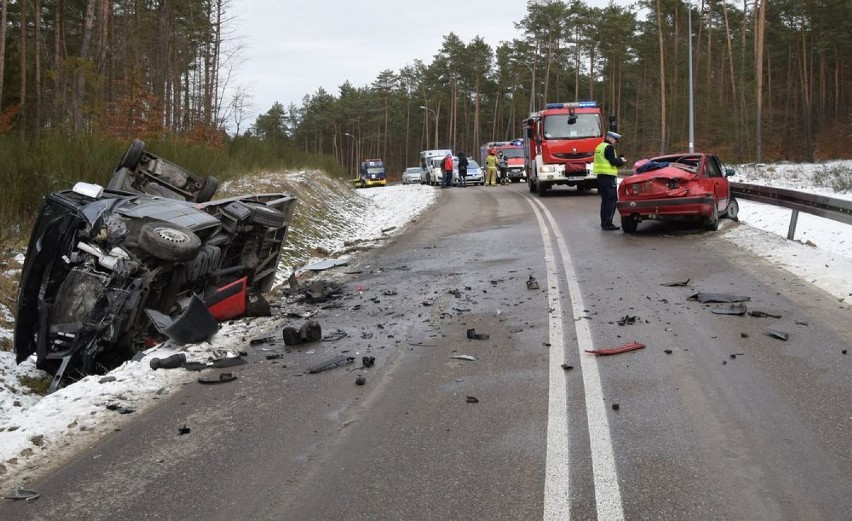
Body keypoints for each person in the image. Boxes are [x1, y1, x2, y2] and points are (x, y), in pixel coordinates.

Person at [593, 131, 627, 230]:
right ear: (611, 139)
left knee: (605, 200)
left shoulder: (599, 146)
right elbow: (613, 162)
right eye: (616, 140)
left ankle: (604, 222)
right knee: (611, 200)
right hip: (608, 177)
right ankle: (608, 223)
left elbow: (606, 159)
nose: (616, 142)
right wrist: (621, 161)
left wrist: (618, 158)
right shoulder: (609, 147)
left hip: (601, 176)